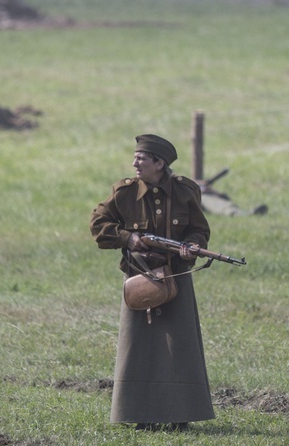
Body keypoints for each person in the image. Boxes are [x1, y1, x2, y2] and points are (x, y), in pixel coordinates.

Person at [89, 134, 215, 431]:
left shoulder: (186, 191)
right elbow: (98, 224)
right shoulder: (124, 192)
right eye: (135, 157)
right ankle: (139, 415)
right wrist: (129, 238)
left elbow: (199, 230)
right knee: (138, 348)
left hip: (176, 278)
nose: (135, 162)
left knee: (180, 347)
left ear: (160, 163)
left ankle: (181, 416)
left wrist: (191, 246)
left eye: (141, 158)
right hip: (139, 279)